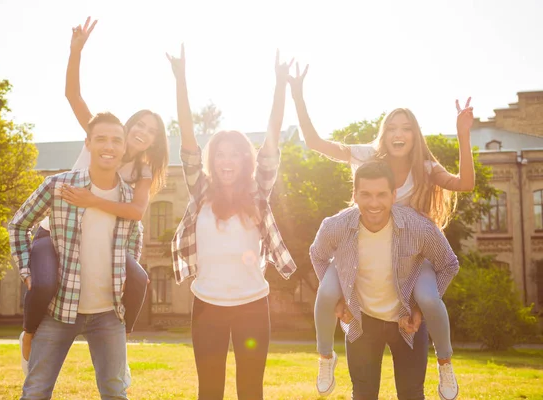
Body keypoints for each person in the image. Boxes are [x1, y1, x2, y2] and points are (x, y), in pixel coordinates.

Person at [289, 63, 473, 400]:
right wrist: (297, 93)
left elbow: (465, 183)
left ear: (415, 135)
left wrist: (463, 134)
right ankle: (324, 356)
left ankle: (445, 363)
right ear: (383, 134)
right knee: (327, 293)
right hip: (364, 250)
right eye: (392, 127)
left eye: (407, 127)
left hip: (411, 258)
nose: (399, 133)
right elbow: (314, 142)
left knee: (430, 299)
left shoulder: (425, 168)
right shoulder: (366, 156)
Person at [18, 17, 169, 375]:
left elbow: (135, 212)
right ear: (127, 126)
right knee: (45, 284)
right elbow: (73, 95)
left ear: (154, 142)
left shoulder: (142, 171)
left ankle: (120, 350)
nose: (141, 134)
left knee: (139, 279)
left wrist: (93, 201)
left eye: (150, 132)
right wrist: (76, 52)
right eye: (139, 125)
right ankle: (28, 335)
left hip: (102, 246)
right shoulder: (102, 136)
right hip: (57, 235)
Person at [167, 44, 297, 400]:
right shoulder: (200, 191)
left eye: (234, 155)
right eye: (220, 154)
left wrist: (280, 85)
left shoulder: (259, 192)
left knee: (250, 389)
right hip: (206, 305)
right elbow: (188, 137)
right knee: (209, 389)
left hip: (252, 305)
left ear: (245, 160)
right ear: (212, 160)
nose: (226, 161)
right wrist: (181, 79)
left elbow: (272, 138)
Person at [10, 112, 142, 399]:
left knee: (116, 393)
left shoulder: (130, 197)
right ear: (89, 143)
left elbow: (135, 239)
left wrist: (124, 273)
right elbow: (19, 224)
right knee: (35, 391)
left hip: (109, 315)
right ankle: (28, 334)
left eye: (116, 140)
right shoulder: (59, 186)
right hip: (59, 311)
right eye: (101, 139)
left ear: (123, 148)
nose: (109, 146)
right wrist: (26, 271)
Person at [310, 160, 460, 400]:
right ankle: (325, 357)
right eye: (366, 195)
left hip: (405, 321)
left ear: (393, 195)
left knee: (411, 394)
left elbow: (449, 264)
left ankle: (445, 363)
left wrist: (420, 308)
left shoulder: (418, 227)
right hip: (362, 321)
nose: (374, 203)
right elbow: (317, 255)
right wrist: (338, 302)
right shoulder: (335, 226)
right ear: (355, 195)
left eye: (381, 195)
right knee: (363, 394)